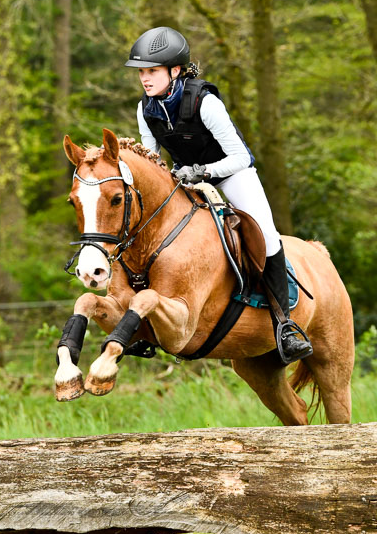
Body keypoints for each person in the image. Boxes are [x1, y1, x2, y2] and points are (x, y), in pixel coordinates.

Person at [125, 26, 312, 364]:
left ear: (175, 70)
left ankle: (285, 325)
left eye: (152, 71)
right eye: (142, 72)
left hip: (231, 174)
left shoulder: (204, 101)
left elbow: (241, 156)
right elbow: (151, 161)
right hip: (185, 178)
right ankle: (144, 327)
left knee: (266, 235)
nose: (145, 79)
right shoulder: (146, 108)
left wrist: (205, 172)